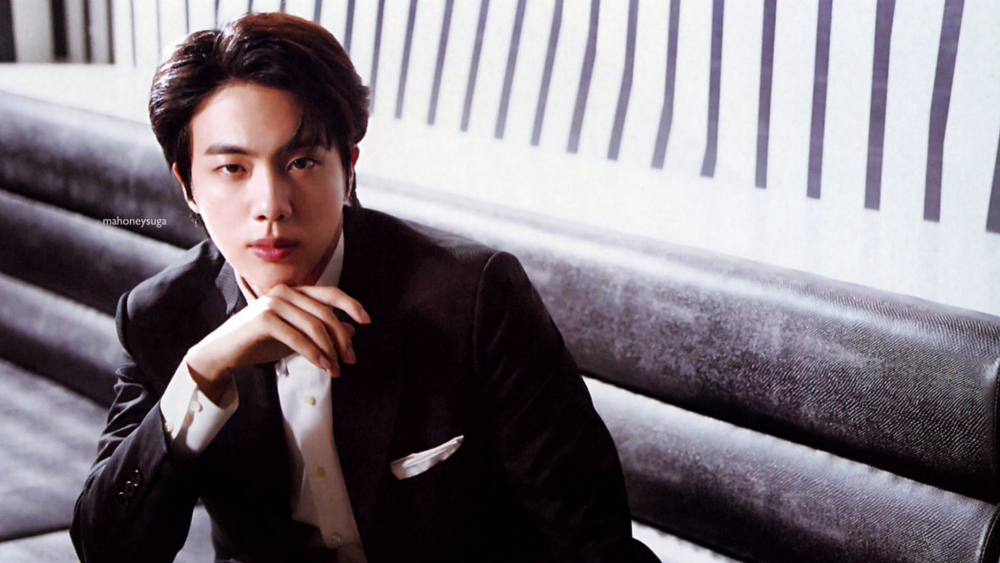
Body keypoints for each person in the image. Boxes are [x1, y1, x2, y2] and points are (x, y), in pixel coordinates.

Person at [71, 12, 657, 563]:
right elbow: (105, 549)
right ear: (188, 187)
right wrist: (202, 374)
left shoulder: (473, 297)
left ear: (349, 167)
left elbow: (593, 542)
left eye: (301, 162)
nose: (271, 205)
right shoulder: (163, 316)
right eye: (233, 168)